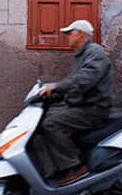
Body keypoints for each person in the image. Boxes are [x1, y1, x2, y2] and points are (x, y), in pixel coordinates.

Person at [33, 20, 113, 186]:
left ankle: (75, 167)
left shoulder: (95, 53)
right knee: (40, 126)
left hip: (92, 109)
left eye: (70, 33)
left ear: (81, 34)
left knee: (51, 125)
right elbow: (76, 85)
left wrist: (56, 86)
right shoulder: (83, 54)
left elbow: (84, 80)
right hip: (81, 106)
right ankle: (53, 171)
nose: (67, 37)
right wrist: (54, 94)